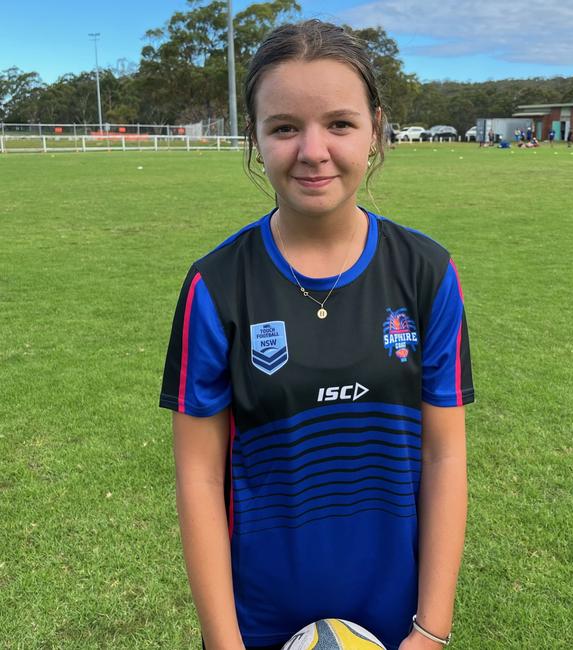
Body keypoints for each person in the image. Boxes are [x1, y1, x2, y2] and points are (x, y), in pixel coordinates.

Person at [160, 19, 474, 650]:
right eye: (284, 127)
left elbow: (444, 457)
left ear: (375, 129)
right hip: (257, 623)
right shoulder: (217, 285)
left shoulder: (427, 273)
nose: (312, 150)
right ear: (254, 138)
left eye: (339, 123)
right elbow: (197, 477)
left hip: (398, 620)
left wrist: (431, 631)